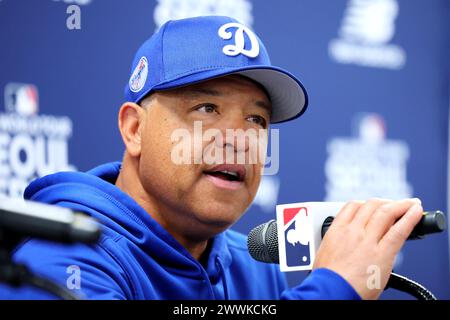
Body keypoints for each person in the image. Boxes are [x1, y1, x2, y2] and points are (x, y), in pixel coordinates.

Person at [0, 15, 423, 300]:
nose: (239, 139)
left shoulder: (253, 265)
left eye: (257, 119)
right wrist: (334, 289)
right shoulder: (61, 264)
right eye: (206, 109)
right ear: (134, 129)